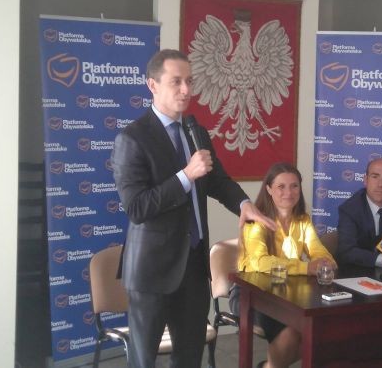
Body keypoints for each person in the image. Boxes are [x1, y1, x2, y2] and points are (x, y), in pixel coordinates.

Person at [111, 49, 275, 368]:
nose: (186, 90)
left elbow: (217, 181)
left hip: (195, 267)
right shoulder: (132, 138)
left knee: (189, 359)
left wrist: (244, 204)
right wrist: (186, 176)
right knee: (143, 361)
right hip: (151, 272)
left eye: (189, 81)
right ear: (153, 85)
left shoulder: (194, 131)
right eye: (176, 82)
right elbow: (137, 208)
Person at [232, 162, 336, 368]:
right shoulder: (255, 222)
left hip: (287, 291)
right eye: (281, 186)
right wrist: (306, 268)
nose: (289, 192)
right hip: (252, 294)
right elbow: (261, 262)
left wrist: (326, 261)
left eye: (294, 186)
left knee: (325, 327)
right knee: (294, 330)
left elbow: (317, 250)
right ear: (269, 189)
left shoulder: (303, 220)